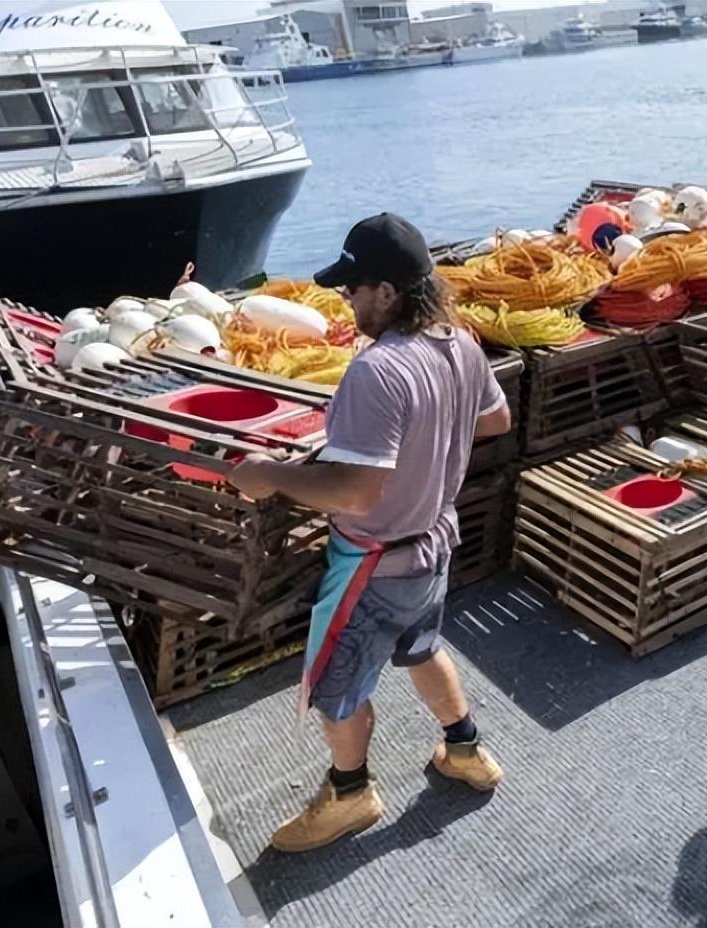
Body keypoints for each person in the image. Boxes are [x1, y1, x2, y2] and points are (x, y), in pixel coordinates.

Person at [227, 213, 512, 853]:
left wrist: (268, 474)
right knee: (420, 645)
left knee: (336, 690)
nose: (346, 300)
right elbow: (496, 420)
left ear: (386, 292)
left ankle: (350, 793)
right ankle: (465, 750)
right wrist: (427, 440)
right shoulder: (460, 344)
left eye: (353, 289)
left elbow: (354, 492)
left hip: (374, 564)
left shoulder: (377, 370)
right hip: (434, 544)